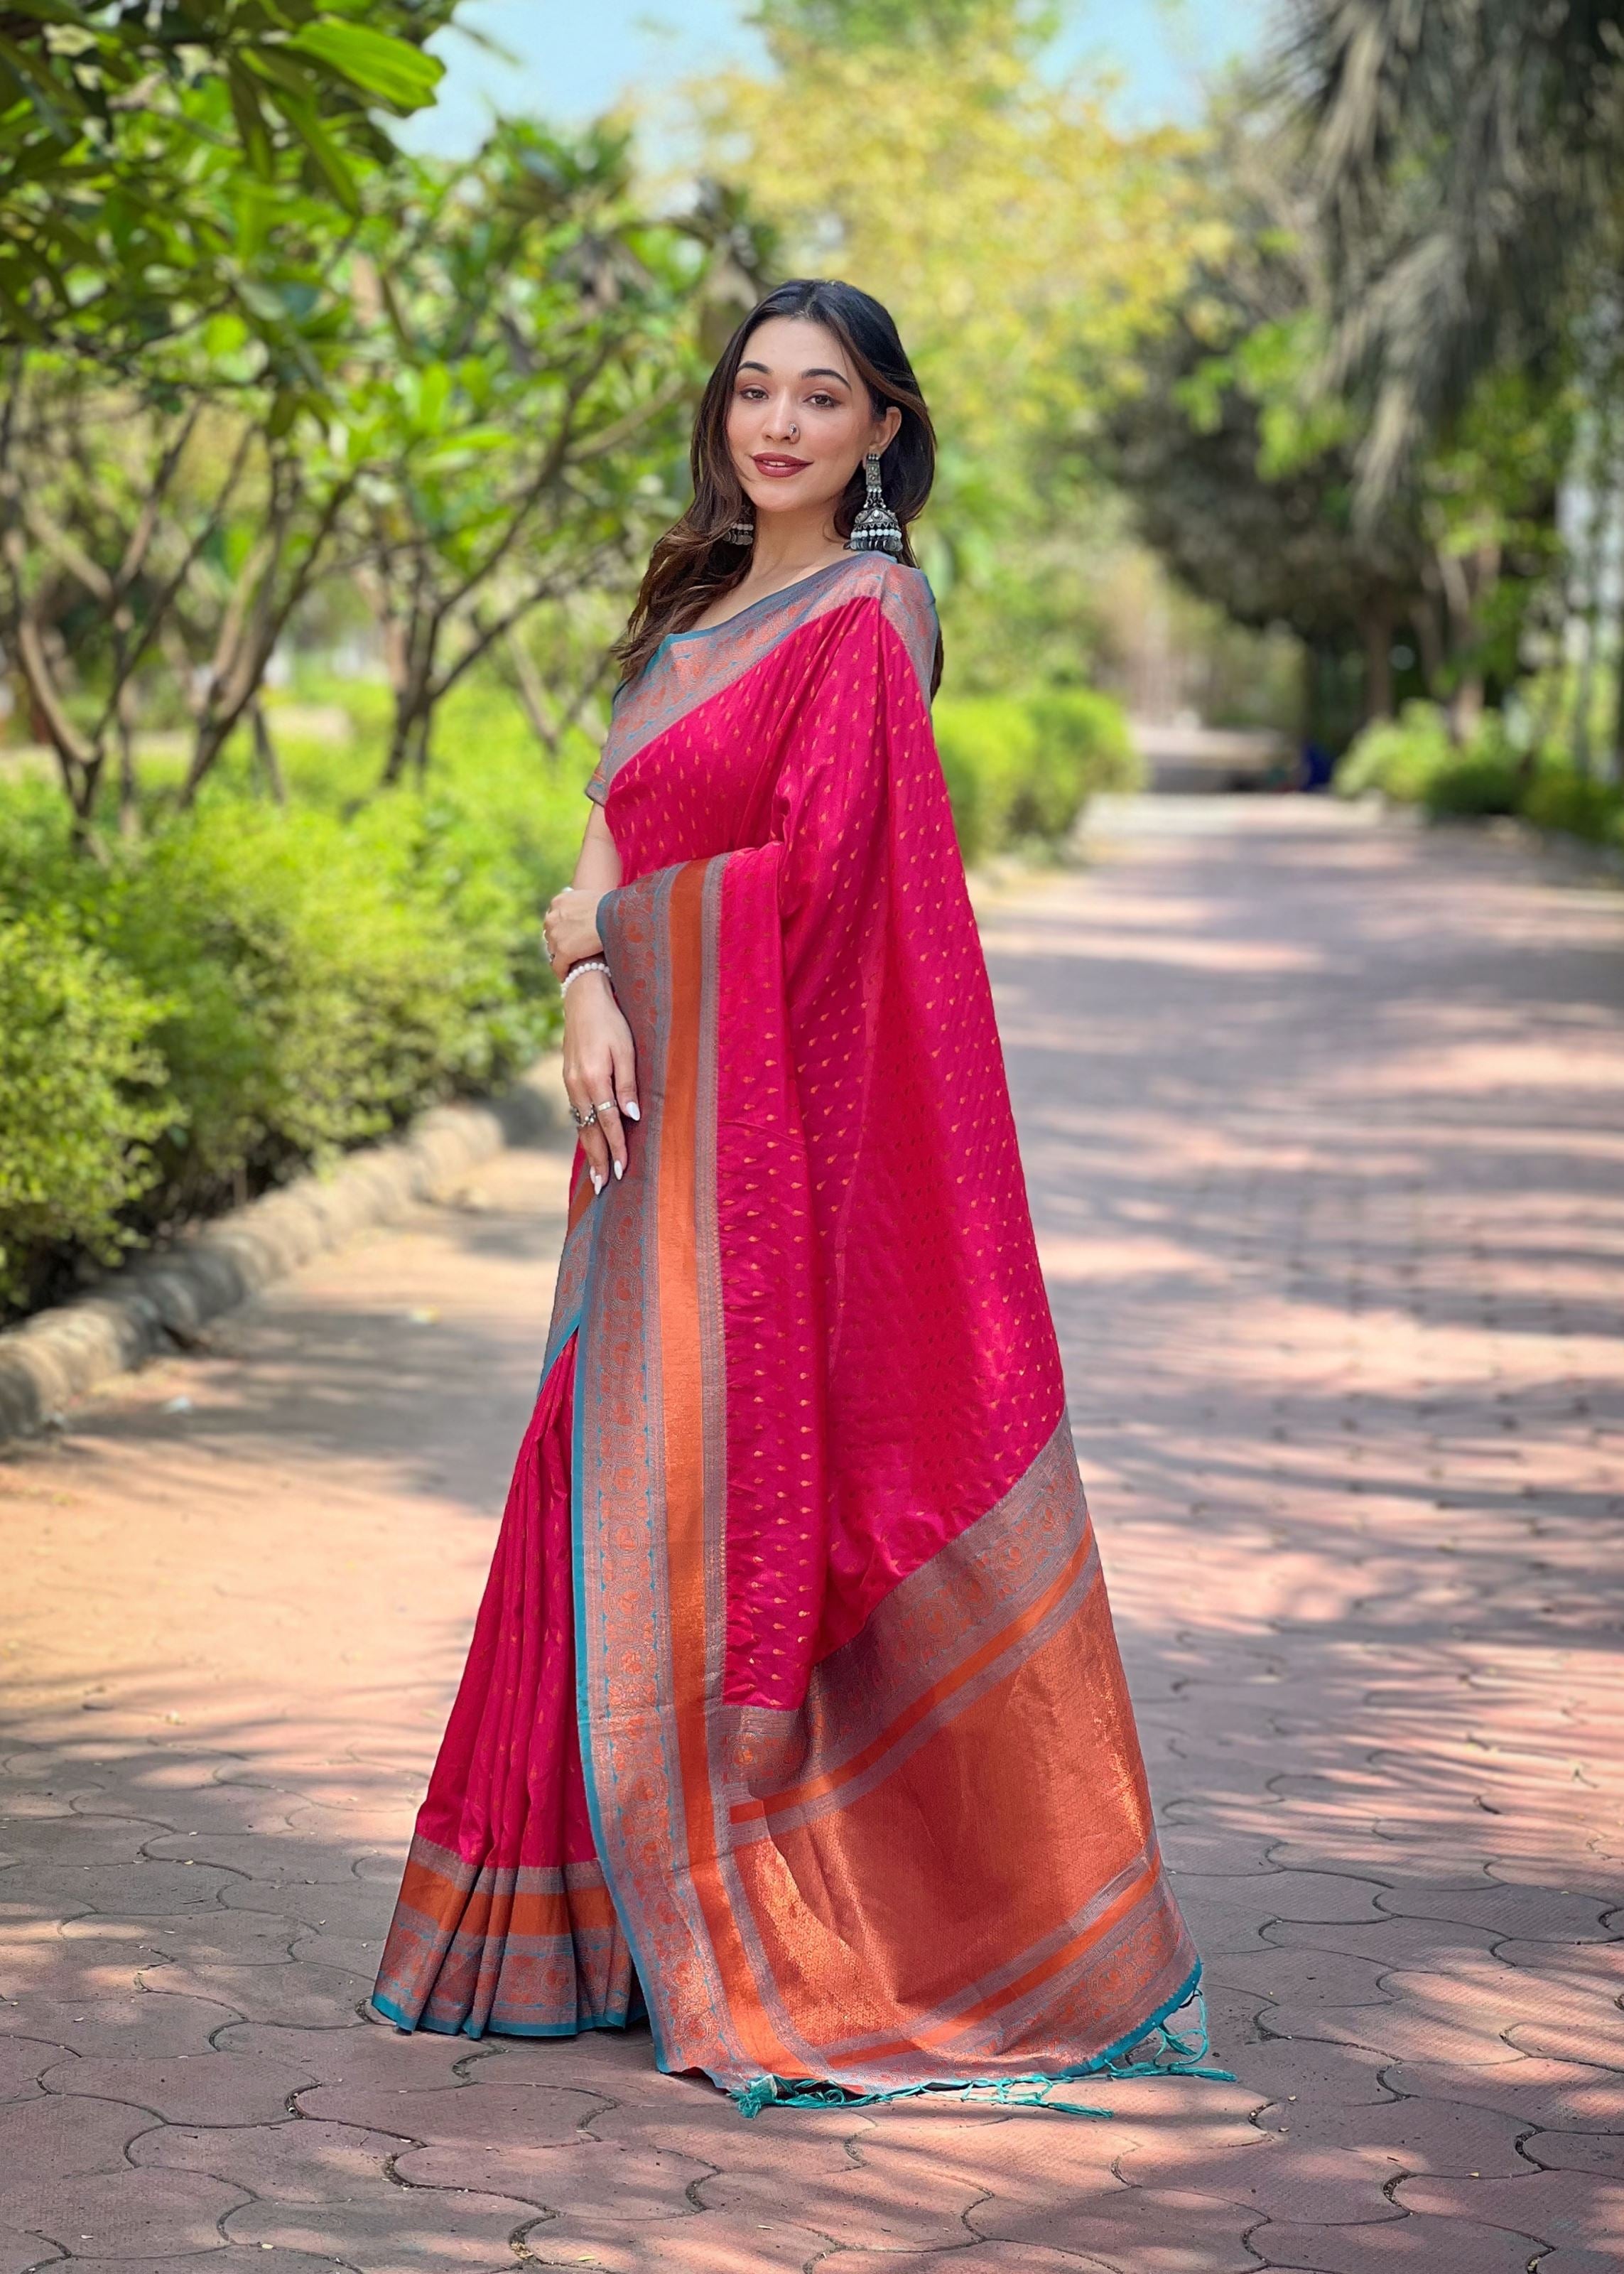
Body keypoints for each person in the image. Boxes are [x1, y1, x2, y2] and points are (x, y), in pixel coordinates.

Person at [372, 277, 1213, 2113]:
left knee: (718, 1488)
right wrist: (584, 976)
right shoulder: (693, 600)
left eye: (822, 398)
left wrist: (615, 942)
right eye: (754, 390)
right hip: (644, 1115)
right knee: (591, 1474)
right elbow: (609, 824)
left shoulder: (870, 616)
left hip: (761, 1140)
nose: (779, 425)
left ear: (884, 427)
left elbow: (831, 892)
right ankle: (569, 1926)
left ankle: (796, 1920)